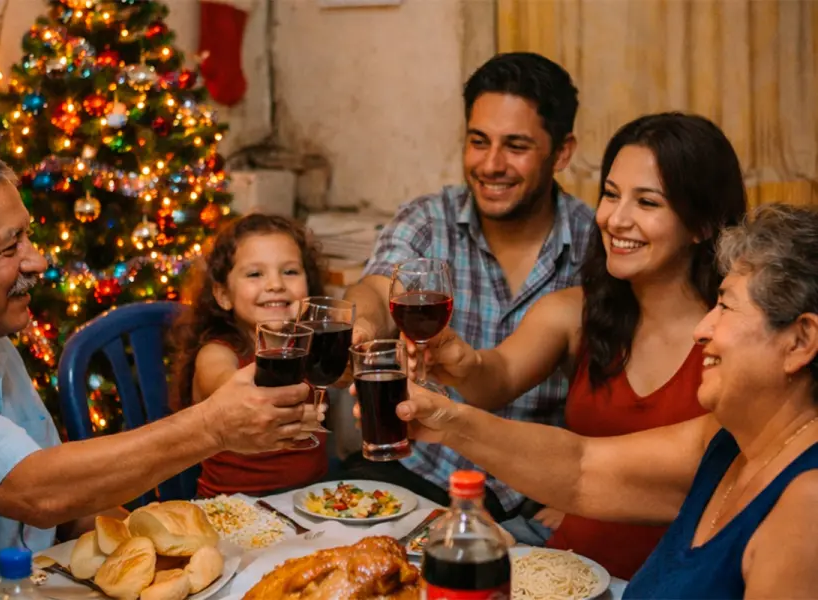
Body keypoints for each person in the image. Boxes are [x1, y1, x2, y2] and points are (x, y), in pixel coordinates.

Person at [378, 203, 818, 596]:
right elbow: (581, 468)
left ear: (801, 341)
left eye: (726, 306)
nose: (702, 329)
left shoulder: (807, 506)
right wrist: (449, 420)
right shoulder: (728, 440)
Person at [0, 147, 318, 552]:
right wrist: (212, 426)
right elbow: (36, 491)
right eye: (9, 248)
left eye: (28, 237)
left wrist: (156, 548)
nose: (37, 261)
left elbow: (72, 508)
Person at [412, 113, 748, 578]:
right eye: (610, 194)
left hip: (665, 581)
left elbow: (589, 470)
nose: (614, 218)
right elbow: (499, 377)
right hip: (564, 568)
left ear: (702, 225)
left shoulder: (733, 340)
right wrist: (461, 362)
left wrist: (447, 421)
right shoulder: (575, 312)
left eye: (646, 202)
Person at [343, 52, 595, 525]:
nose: (491, 164)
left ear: (562, 152)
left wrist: (574, 502)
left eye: (516, 146)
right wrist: (359, 325)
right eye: (479, 142)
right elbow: (375, 293)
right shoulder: (426, 220)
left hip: (527, 495)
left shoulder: (596, 244)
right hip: (415, 470)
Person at [169, 213, 329, 498]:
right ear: (223, 295)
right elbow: (227, 384)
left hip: (310, 503)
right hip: (234, 512)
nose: (275, 284)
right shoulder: (217, 353)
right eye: (255, 274)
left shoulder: (312, 346)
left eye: (290, 272)